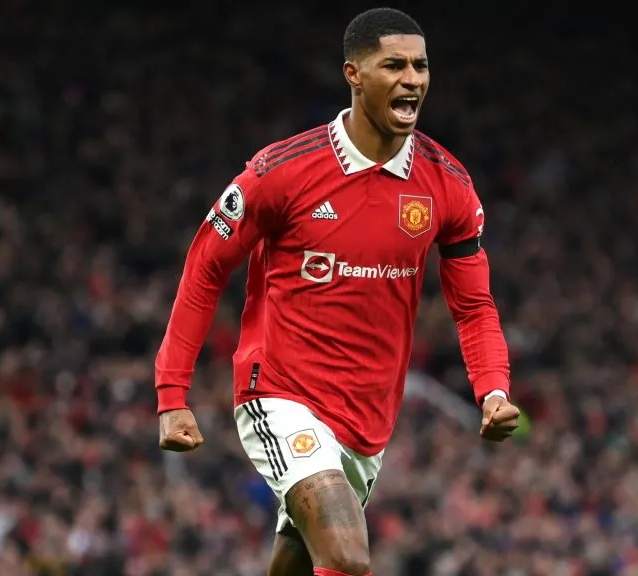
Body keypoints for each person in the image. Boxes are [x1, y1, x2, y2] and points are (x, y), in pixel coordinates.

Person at [152, 8, 521, 576]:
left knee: (301, 563)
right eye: (393, 64)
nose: (412, 79)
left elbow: (473, 306)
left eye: (421, 66)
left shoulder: (447, 184)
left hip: (369, 418)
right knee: (347, 556)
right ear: (353, 73)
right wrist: (172, 394)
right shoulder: (281, 171)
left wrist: (493, 388)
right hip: (280, 392)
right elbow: (204, 267)